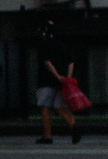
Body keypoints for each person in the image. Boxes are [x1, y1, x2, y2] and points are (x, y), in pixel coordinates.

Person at [33, 17, 82, 145]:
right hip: (62, 82)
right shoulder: (63, 45)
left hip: (47, 81)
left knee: (45, 108)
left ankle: (47, 136)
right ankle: (74, 126)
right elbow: (71, 62)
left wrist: (56, 75)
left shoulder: (43, 45)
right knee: (60, 107)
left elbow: (47, 62)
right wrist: (67, 78)